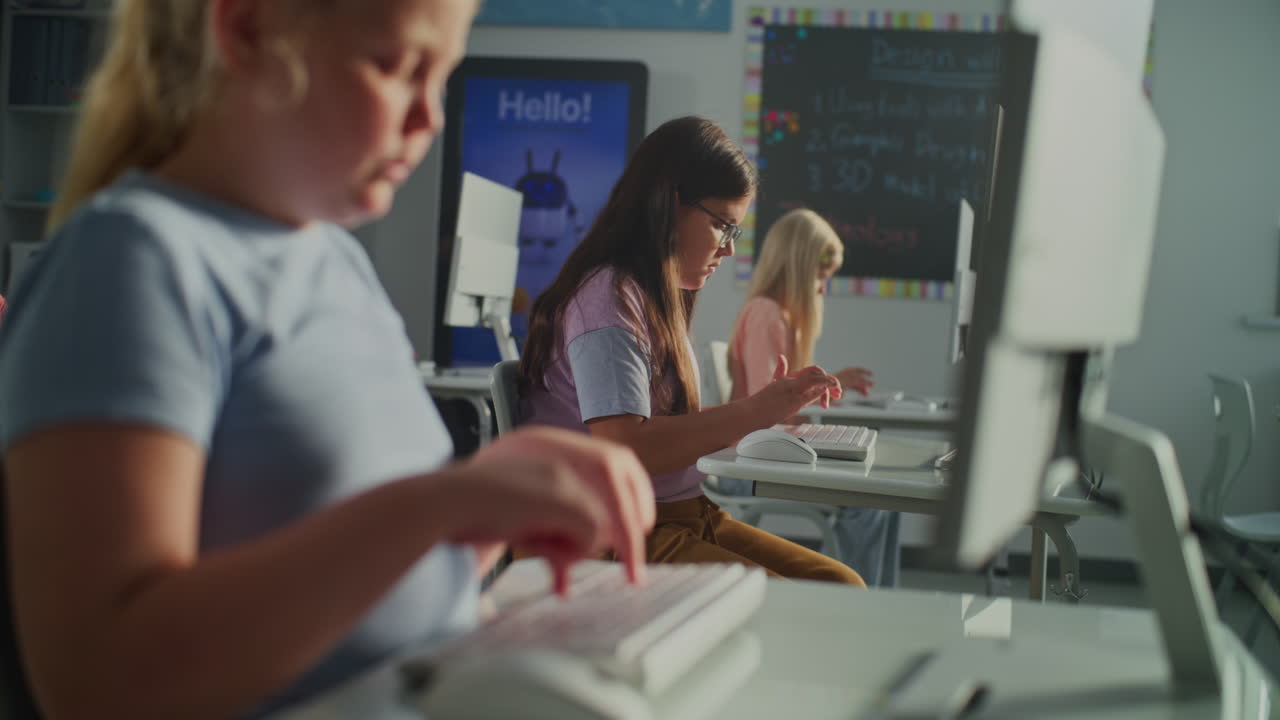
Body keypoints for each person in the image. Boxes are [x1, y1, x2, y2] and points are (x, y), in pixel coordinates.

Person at [0, 2, 654, 718]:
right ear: (247, 30)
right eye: (398, 67)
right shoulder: (131, 259)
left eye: (441, 78)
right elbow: (98, 680)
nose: (430, 118)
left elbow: (367, 583)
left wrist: (487, 505)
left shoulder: (335, 262)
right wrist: (443, 503)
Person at [519, 116, 863, 586]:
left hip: (681, 514)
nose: (727, 250)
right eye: (723, 225)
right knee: (806, 607)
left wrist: (765, 408)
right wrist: (756, 411)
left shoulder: (652, 297)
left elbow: (666, 430)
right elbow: (626, 448)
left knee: (841, 588)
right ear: (669, 204)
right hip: (616, 531)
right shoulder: (607, 299)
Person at [726, 207, 900, 587]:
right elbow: (765, 408)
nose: (822, 289)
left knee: (883, 499)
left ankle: (881, 601)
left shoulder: (778, 316)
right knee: (871, 502)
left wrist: (829, 382)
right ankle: (865, 604)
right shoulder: (766, 315)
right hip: (752, 465)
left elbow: (779, 397)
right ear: (798, 268)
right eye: (820, 277)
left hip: (771, 453)